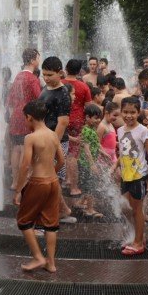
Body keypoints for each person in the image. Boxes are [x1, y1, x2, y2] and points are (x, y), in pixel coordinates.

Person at [14, 100, 64, 272]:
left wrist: (19, 189)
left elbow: (25, 165)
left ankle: (38, 257)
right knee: (51, 224)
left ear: (29, 117)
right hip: (53, 182)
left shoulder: (31, 137)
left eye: (25, 119)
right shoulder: (53, 135)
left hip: (38, 182)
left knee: (24, 220)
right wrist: (52, 173)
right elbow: (62, 161)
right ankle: (51, 263)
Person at [115, 97, 148, 255]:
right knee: (126, 207)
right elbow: (123, 151)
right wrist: (116, 165)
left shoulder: (143, 131)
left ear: (138, 112)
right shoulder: (120, 130)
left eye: (132, 112)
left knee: (137, 209)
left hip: (139, 175)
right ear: (121, 112)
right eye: (125, 112)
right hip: (126, 175)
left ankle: (139, 243)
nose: (128, 115)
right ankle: (138, 235)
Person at [37, 56, 75, 224]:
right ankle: (63, 209)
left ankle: (55, 212)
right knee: (49, 178)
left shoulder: (63, 93)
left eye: (50, 75)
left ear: (60, 73)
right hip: (44, 139)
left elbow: (63, 122)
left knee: (52, 179)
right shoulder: (46, 88)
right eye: (44, 74)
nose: (46, 78)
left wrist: (53, 144)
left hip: (56, 142)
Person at [7, 49, 42, 190]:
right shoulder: (32, 78)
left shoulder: (18, 77)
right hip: (26, 117)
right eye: (38, 58)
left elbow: (9, 99)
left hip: (15, 115)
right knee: (24, 149)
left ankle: (15, 181)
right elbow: (38, 98)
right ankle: (21, 183)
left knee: (16, 148)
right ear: (33, 60)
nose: (39, 61)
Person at [63, 59, 92, 197]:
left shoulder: (61, 84)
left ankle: (66, 179)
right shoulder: (83, 86)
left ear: (66, 68)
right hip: (77, 121)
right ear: (79, 70)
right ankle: (73, 186)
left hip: (62, 119)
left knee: (63, 150)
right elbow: (88, 107)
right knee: (73, 154)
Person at [77, 104, 104, 218]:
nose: (98, 121)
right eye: (95, 118)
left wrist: (104, 153)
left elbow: (95, 145)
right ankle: (89, 209)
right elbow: (87, 148)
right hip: (86, 163)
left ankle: (80, 203)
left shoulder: (91, 129)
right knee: (90, 185)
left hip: (85, 162)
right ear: (87, 117)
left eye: (99, 118)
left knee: (86, 184)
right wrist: (92, 164)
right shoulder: (87, 130)